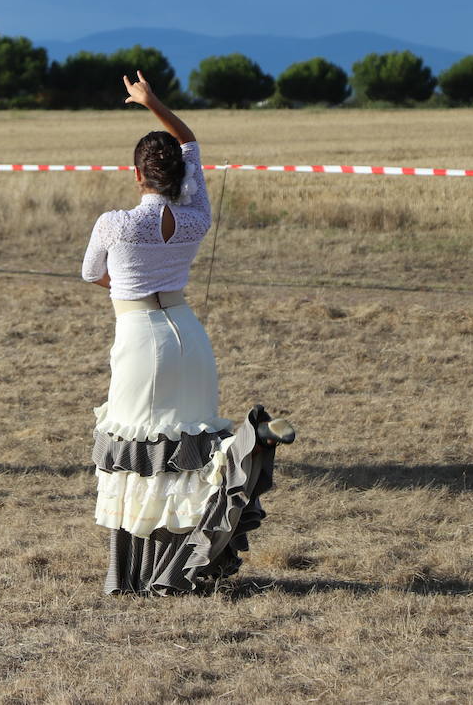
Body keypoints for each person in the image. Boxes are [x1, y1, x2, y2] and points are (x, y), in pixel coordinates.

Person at [81, 71, 293, 595]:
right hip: (189, 334)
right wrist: (155, 103)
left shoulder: (115, 223)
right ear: (179, 174)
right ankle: (248, 444)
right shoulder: (197, 215)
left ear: (137, 176)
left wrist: (122, 285)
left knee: (135, 456)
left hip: (140, 338)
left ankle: (129, 575)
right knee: (191, 453)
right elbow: (190, 143)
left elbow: (91, 273)